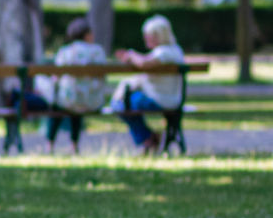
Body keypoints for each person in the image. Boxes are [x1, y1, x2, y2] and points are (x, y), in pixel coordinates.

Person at [22, 17, 110, 150]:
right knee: (76, 103)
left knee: (59, 104)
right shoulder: (98, 51)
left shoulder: (65, 52)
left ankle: (49, 144)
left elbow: (56, 77)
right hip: (93, 101)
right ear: (86, 35)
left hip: (69, 100)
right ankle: (74, 145)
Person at [110, 14, 186, 153]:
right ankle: (149, 139)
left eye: (149, 35)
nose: (146, 38)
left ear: (158, 36)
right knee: (124, 101)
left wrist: (131, 55)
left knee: (118, 104)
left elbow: (144, 63)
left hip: (159, 100)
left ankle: (147, 139)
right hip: (173, 99)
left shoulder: (163, 53)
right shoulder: (176, 51)